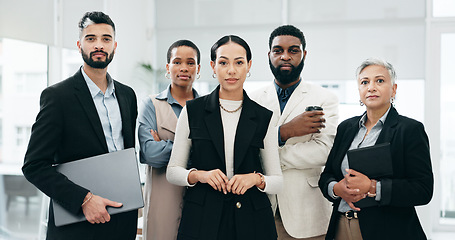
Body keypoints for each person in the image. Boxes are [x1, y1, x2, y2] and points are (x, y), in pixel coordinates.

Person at [22, 11, 138, 240]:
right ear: (79, 44)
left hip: (122, 220)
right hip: (77, 225)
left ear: (115, 45)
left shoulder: (127, 96)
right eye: (90, 38)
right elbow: (34, 166)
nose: (99, 45)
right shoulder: (57, 97)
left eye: (106, 39)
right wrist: (84, 199)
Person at [166, 35, 283, 240]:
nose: (231, 70)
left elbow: (278, 181)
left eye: (239, 62)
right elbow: (173, 171)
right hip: (203, 218)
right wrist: (200, 175)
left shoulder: (264, 116)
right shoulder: (193, 111)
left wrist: (255, 179)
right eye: (223, 62)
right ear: (213, 66)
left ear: (249, 65)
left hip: (253, 221)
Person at [318, 58, 433, 240]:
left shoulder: (410, 129)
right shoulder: (346, 128)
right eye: (365, 82)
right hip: (341, 227)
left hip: (387, 231)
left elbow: (423, 190)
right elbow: (327, 176)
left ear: (393, 89)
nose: (371, 87)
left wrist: (373, 187)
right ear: (359, 91)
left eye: (379, 81)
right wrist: (337, 188)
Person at [250, 25, 338, 240]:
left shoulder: (325, 98)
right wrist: (284, 133)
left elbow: (324, 151)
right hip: (261, 210)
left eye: (293, 50)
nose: (285, 56)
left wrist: (269, 155)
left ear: (304, 54)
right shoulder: (252, 100)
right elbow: (245, 149)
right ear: (269, 55)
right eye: (278, 50)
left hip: (307, 215)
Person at [138, 39, 200, 240]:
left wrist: (163, 145)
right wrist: (194, 148)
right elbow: (149, 154)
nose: (184, 68)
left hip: (199, 200)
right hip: (162, 202)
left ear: (198, 68)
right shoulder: (151, 105)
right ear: (168, 67)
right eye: (177, 62)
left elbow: (215, 155)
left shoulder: (208, 108)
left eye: (190, 63)